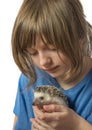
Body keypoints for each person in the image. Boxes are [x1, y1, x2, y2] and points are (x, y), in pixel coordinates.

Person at [12, 0, 92, 130]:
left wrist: (77, 125)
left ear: (80, 36)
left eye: (53, 48)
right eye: (33, 52)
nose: (43, 62)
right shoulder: (30, 79)